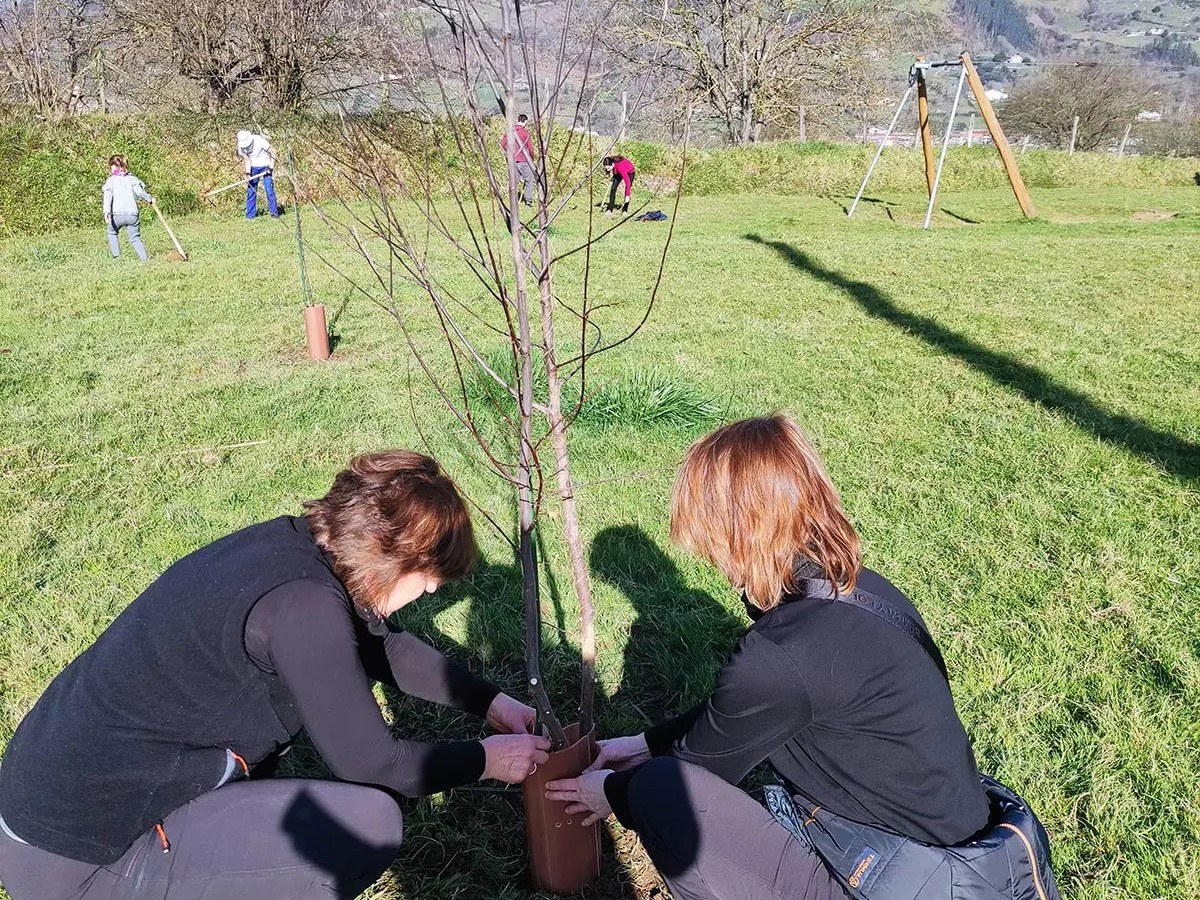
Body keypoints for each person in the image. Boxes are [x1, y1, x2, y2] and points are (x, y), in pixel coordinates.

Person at [0, 450, 550, 900]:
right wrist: (489, 760)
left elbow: (384, 648)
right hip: (77, 862)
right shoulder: (303, 609)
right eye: (429, 576)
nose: (432, 591)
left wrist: (491, 703)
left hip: (41, 809)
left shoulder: (297, 546)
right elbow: (374, 762)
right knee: (369, 824)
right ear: (387, 556)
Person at [547, 415, 1024, 900]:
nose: (707, 555)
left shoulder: (779, 655)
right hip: (962, 853)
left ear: (737, 530)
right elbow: (758, 710)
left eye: (708, 535)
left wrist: (610, 792)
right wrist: (644, 742)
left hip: (901, 880)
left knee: (659, 793)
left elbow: (695, 776)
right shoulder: (863, 590)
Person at [102, 154, 154, 262]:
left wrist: (106, 212)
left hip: (117, 215)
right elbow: (140, 192)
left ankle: (117, 257)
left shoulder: (111, 181)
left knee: (112, 232)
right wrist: (150, 199)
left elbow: (107, 197)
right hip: (132, 214)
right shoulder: (132, 179)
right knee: (135, 237)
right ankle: (144, 259)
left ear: (112, 167)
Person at [237, 128, 280, 219]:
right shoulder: (240, 145)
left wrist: (271, 167)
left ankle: (274, 214)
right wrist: (248, 173)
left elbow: (273, 152)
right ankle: (250, 216)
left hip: (266, 166)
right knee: (251, 191)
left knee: (269, 190)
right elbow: (247, 160)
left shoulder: (258, 140)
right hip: (253, 168)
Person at [500, 113, 538, 206]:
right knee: (529, 180)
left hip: (512, 161)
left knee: (514, 182)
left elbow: (503, 144)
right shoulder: (525, 133)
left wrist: (509, 152)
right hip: (524, 160)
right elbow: (530, 148)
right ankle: (528, 201)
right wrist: (531, 159)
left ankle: (513, 201)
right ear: (525, 121)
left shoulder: (510, 131)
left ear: (517, 120)